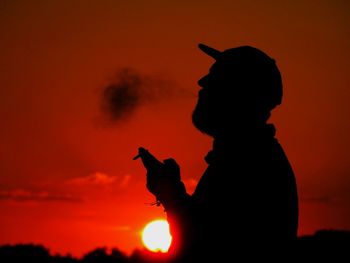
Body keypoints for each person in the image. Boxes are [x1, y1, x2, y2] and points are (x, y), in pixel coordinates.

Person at [135, 44, 299, 262]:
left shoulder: (250, 166)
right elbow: (201, 230)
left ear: (242, 93)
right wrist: (171, 193)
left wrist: (172, 196)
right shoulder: (245, 158)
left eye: (217, 76)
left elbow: (201, 247)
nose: (201, 82)